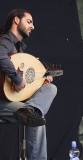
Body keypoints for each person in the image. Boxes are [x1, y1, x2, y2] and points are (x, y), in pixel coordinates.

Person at [0, 8, 57, 159]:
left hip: (15, 103)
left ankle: (31, 113)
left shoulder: (19, 49)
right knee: (37, 121)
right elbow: (0, 56)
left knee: (51, 88)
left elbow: (25, 88)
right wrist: (17, 79)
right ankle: (31, 114)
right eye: (29, 21)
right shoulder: (5, 40)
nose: (33, 26)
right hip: (2, 103)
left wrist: (40, 83)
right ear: (16, 20)